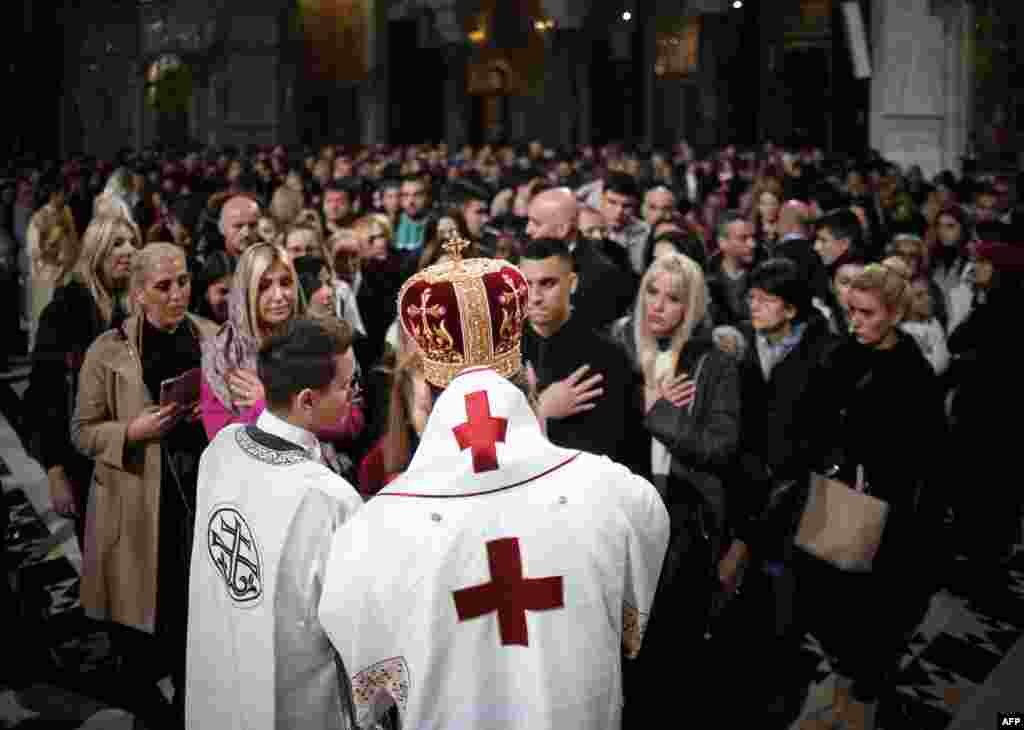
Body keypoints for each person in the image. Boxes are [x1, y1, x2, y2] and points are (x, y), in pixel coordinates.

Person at [318, 237, 669, 729]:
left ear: (427, 390)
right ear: (520, 378)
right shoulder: (614, 493)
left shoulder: (373, 529)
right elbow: (649, 528)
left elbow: (368, 679)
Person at [186, 318, 363, 730]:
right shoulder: (330, 498)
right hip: (297, 699)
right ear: (305, 399)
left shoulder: (219, 450)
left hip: (221, 673)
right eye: (345, 385)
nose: (354, 395)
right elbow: (358, 628)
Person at [72, 243, 218, 729]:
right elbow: (82, 430)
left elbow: (239, 415)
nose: (178, 294)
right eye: (163, 286)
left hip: (196, 503)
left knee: (195, 638)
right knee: (136, 643)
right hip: (136, 510)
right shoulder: (107, 350)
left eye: (183, 282)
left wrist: (211, 414)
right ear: (137, 294)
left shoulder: (210, 337)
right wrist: (132, 432)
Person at [26, 215, 141, 545]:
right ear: (97, 250)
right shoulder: (65, 309)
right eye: (118, 243)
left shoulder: (136, 308)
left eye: (133, 241)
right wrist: (54, 469)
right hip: (83, 461)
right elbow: (44, 394)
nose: (129, 250)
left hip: (132, 454)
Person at [519, 237, 648, 476]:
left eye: (547, 283)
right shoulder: (502, 352)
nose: (535, 296)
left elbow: (613, 451)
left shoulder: (606, 357)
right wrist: (540, 411)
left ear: (573, 283)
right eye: (527, 284)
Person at [199, 243, 300, 439]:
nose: (278, 296)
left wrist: (270, 403)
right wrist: (270, 410)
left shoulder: (314, 338)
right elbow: (221, 438)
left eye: (286, 282)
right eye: (264, 287)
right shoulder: (221, 354)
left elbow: (347, 420)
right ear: (246, 292)